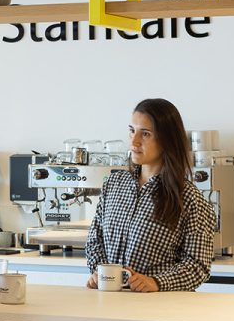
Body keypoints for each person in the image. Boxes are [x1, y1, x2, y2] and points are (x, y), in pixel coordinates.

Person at [85, 98, 215, 293]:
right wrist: (101, 273)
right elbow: (95, 240)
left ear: (167, 140)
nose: (134, 141)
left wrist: (156, 282)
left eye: (145, 134)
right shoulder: (113, 184)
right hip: (109, 303)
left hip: (160, 309)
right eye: (132, 130)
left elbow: (198, 266)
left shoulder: (189, 199)